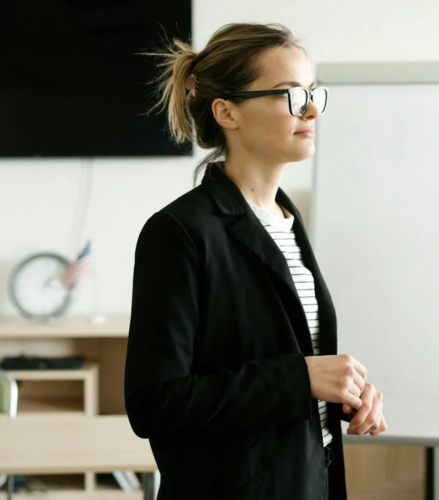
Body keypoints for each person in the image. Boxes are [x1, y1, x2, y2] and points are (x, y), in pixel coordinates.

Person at [124, 21, 386, 500]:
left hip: (312, 481)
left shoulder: (288, 222)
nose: (310, 109)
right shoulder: (179, 232)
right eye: (289, 95)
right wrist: (302, 377)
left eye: (312, 92)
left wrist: (343, 396)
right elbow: (154, 404)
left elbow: (271, 363)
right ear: (227, 111)